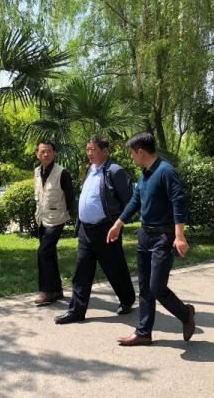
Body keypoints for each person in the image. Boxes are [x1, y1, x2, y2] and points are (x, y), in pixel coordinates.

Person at [106, 131, 195, 346]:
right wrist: (118, 224)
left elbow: (178, 201)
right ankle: (143, 333)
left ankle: (186, 314)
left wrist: (179, 235)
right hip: (145, 235)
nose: (131, 158)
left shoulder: (166, 171)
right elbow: (135, 201)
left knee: (157, 287)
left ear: (141, 152)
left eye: (132, 153)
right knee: (145, 287)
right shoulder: (145, 174)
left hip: (163, 236)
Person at [54, 135, 136, 324]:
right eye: (87, 149)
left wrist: (118, 223)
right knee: (81, 271)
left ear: (104, 151)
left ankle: (127, 299)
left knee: (114, 268)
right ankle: (76, 311)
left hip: (106, 228)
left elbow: (130, 199)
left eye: (93, 150)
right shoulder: (89, 169)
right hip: (86, 230)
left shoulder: (115, 171)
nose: (89, 153)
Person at [33, 140, 75, 306]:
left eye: (49, 151)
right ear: (37, 154)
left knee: (43, 253)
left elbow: (70, 197)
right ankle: (57, 290)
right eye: (42, 151)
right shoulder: (37, 172)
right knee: (49, 253)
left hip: (57, 219)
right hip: (42, 219)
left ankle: (47, 291)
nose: (46, 154)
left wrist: (71, 217)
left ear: (54, 153)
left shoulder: (62, 173)